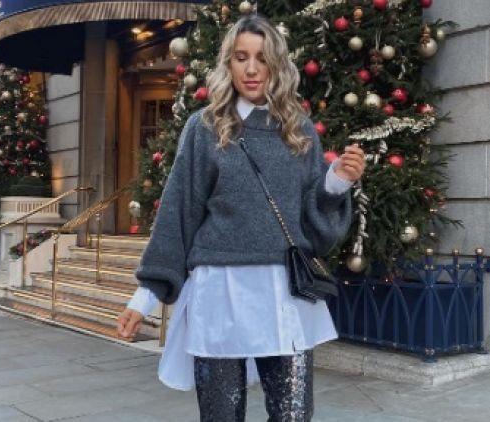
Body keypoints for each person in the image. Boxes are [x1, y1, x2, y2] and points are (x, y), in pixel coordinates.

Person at [117, 14, 366, 422]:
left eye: (262, 58)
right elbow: (179, 212)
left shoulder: (299, 130)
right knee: (221, 415)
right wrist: (144, 298)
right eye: (241, 57)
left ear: (277, 65)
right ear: (228, 64)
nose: (252, 69)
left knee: (293, 414)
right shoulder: (205, 128)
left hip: (284, 293)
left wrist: (335, 183)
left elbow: (312, 227)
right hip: (220, 293)